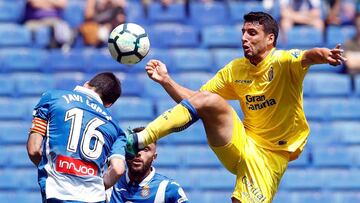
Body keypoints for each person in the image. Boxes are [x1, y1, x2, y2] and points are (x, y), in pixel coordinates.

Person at [126, 12, 346, 203]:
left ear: (270, 39)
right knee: (209, 100)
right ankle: (142, 138)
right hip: (242, 141)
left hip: (271, 155)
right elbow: (195, 101)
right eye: (243, 32)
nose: (244, 38)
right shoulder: (234, 70)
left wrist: (324, 55)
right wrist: (166, 80)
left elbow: (308, 56)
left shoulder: (282, 62)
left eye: (251, 33)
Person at [27, 72, 127, 203]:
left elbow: (34, 150)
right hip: (94, 198)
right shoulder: (116, 128)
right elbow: (118, 169)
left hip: (57, 193)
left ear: (86, 84)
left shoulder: (52, 97)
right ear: (108, 104)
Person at [108, 127, 188, 203]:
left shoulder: (166, 188)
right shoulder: (110, 183)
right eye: (133, 147)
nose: (138, 153)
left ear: (154, 157)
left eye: (145, 149)